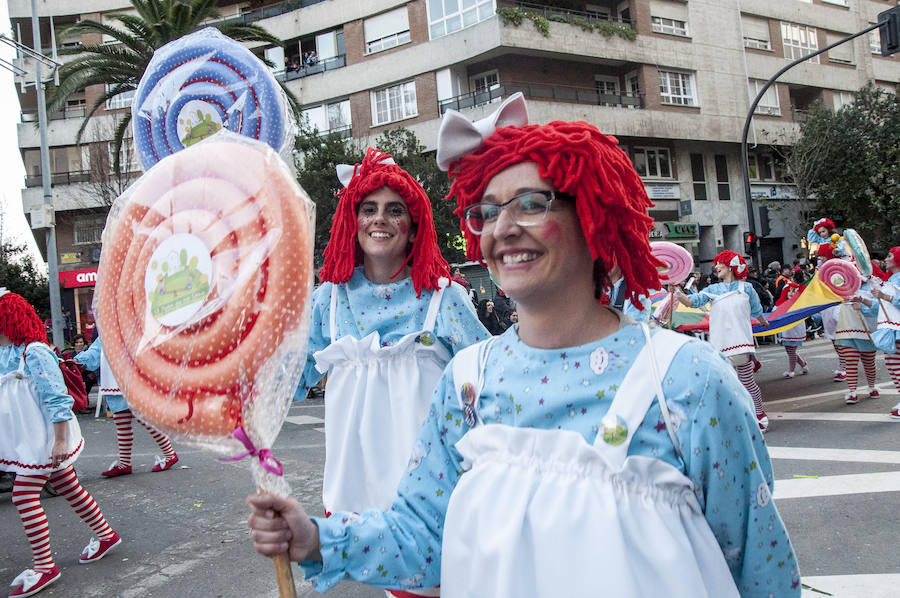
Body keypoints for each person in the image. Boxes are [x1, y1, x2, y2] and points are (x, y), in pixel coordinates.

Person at [248, 94, 800, 597]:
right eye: (486, 212)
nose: (502, 228)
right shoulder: (467, 382)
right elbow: (423, 540)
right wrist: (316, 537)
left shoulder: (687, 382)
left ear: (592, 217)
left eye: (530, 204)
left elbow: (758, 568)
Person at [292, 148, 487, 597]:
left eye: (394, 210)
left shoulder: (445, 299)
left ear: (414, 223)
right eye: (369, 209)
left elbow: (488, 381)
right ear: (351, 220)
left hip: (435, 488)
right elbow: (286, 382)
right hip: (358, 488)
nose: (379, 220)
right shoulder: (329, 301)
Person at [0, 289, 121, 598]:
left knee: (23, 495)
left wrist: (59, 442)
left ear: (9, 321)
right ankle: (106, 535)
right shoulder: (8, 352)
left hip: (45, 437)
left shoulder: (34, 352)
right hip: (31, 437)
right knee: (67, 485)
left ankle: (44, 567)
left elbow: (57, 399)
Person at [672, 250, 771, 431]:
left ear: (732, 266)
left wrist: (764, 322)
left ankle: (759, 414)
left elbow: (757, 311)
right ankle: (733, 417)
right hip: (719, 346)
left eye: (721, 264)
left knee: (746, 382)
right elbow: (691, 302)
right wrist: (677, 293)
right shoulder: (712, 290)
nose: (716, 266)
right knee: (722, 384)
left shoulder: (746, 288)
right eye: (716, 264)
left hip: (741, 343)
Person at [73, 334, 179, 477]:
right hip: (115, 380)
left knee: (143, 418)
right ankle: (125, 462)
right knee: (121, 420)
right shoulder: (107, 331)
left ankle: (169, 454)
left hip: (133, 378)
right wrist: (78, 360)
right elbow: (95, 352)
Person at [871, 246, 900, 419]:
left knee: (895, 364)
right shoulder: (889, 280)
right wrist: (863, 301)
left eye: (890, 255)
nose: (886, 258)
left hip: (897, 327)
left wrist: (884, 296)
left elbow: (889, 300)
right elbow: (879, 307)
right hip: (892, 328)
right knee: (893, 364)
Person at [777, 277, 809, 378]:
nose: (791, 293)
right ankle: (803, 364)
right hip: (787, 330)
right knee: (789, 350)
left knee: (791, 351)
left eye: (794, 291)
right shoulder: (783, 304)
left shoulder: (799, 304)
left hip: (795, 330)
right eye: (789, 291)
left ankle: (791, 371)